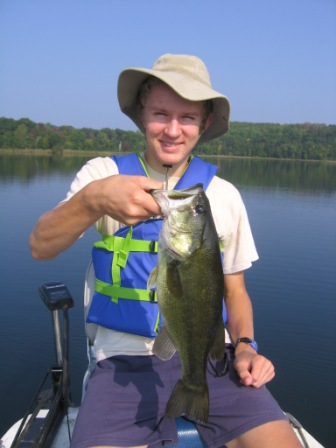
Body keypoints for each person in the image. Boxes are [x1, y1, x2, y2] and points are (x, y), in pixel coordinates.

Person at [30, 54, 302, 448]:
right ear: (141, 114)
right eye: (160, 113)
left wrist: (245, 347)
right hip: (123, 361)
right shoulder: (103, 176)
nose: (173, 130)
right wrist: (93, 201)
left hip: (211, 359)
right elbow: (40, 246)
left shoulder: (224, 197)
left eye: (188, 118)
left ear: (205, 123)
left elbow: (236, 291)